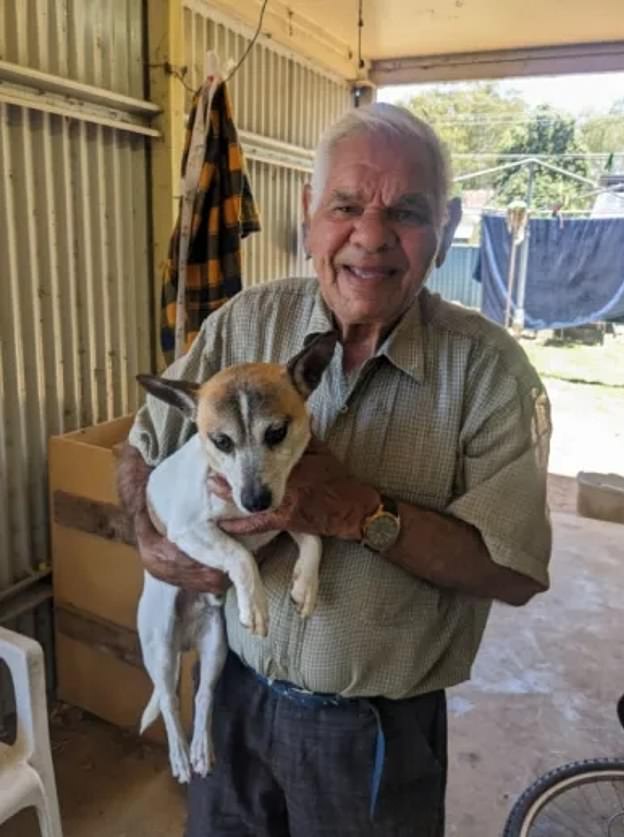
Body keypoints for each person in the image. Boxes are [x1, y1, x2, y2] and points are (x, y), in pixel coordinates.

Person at [117, 102, 552, 837]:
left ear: (444, 230)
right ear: (308, 212)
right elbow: (140, 444)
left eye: (407, 212)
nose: (372, 236)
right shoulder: (241, 324)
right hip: (233, 698)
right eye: (347, 205)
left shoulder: (490, 375)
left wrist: (360, 512)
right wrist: (147, 537)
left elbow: (514, 571)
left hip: (374, 735)